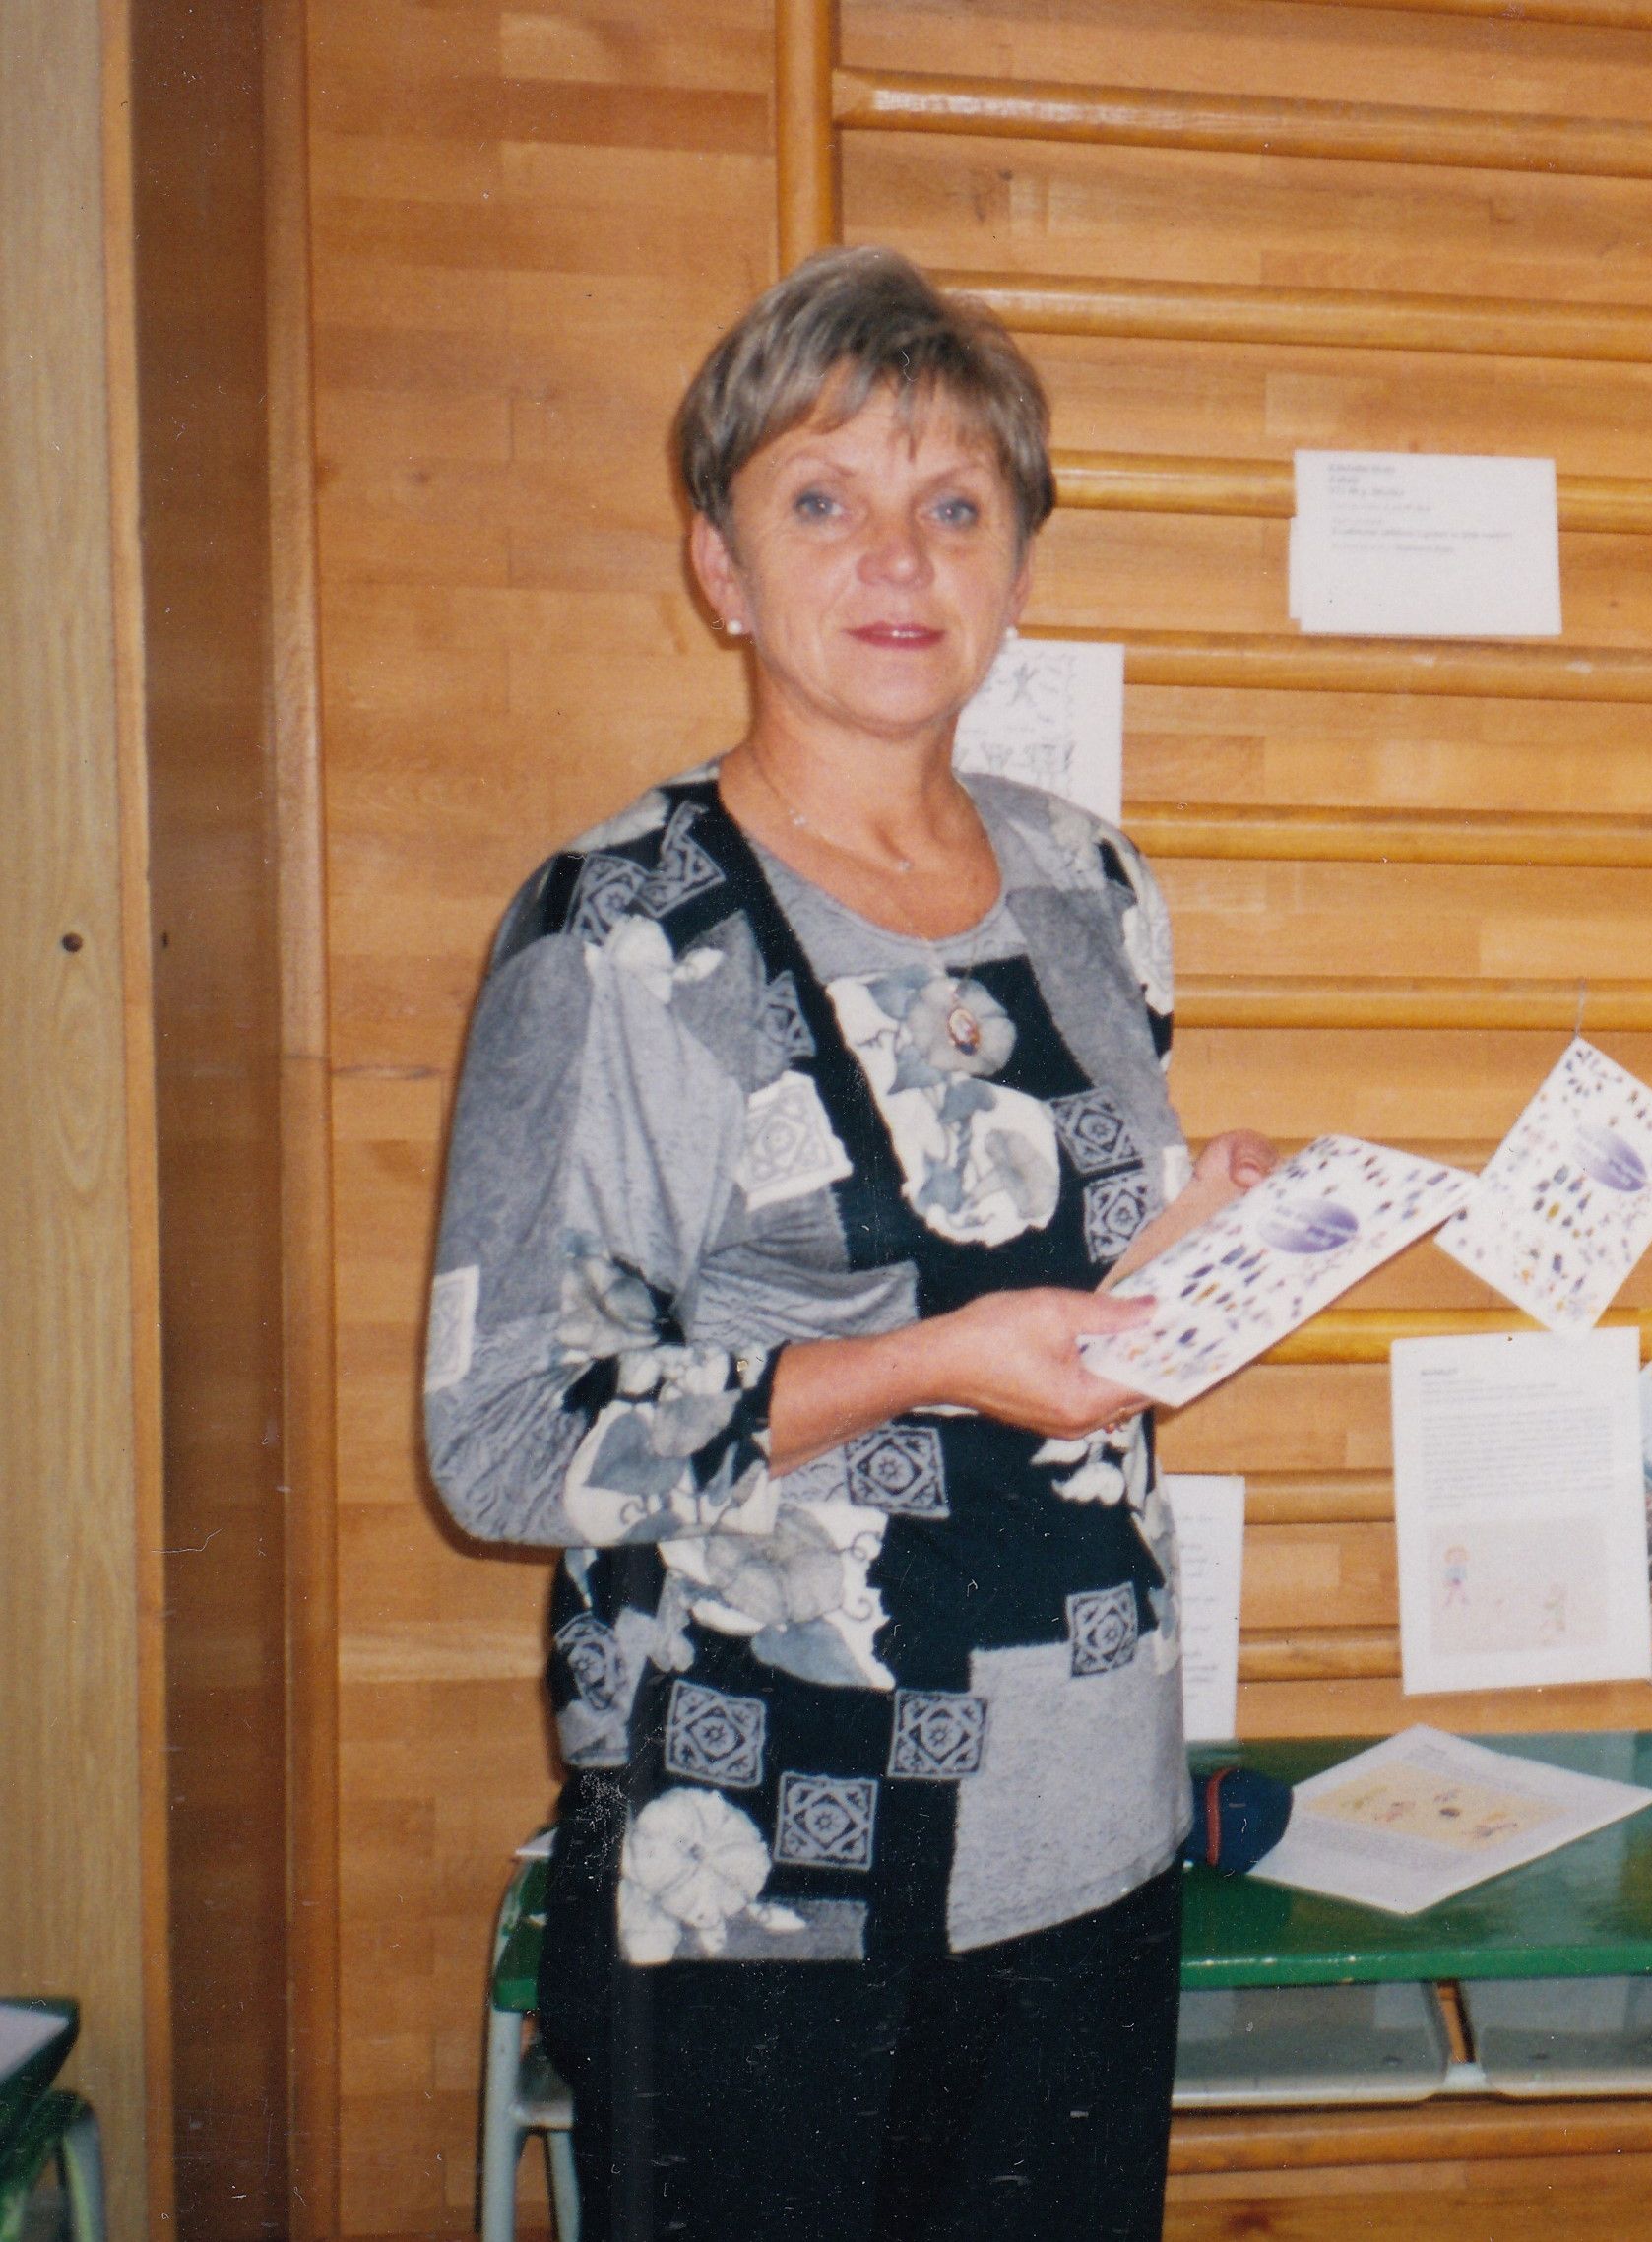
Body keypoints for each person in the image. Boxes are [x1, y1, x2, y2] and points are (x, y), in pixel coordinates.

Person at [422, 245, 1274, 2242]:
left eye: (955, 506)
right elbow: (502, 1442)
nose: (898, 556)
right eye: (824, 500)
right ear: (721, 566)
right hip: (761, 1866)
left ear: (1017, 571)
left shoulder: (1090, 884)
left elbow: (1041, 1294)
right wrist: (928, 1364)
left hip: (1088, 1821)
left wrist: (1201, 1254)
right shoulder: (620, 931)